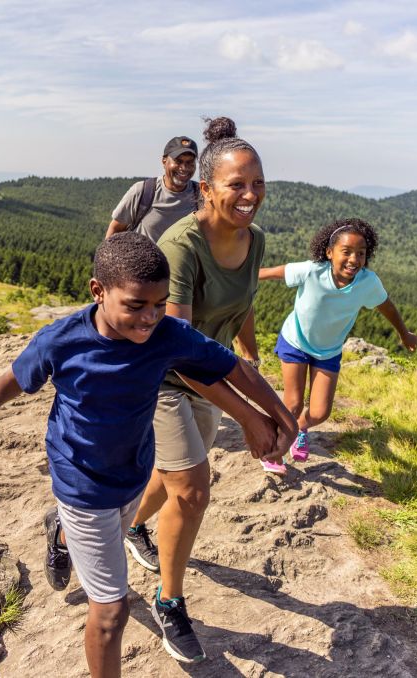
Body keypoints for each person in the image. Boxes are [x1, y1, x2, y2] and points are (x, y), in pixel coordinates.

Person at [0, 232, 287, 678]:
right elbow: (18, 376)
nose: (150, 317)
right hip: (80, 482)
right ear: (98, 292)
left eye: (160, 304)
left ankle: (60, 533)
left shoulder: (165, 335)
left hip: (133, 472)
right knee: (111, 612)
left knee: (119, 531)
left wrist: (277, 415)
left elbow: (232, 367)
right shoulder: (62, 340)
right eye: (137, 305)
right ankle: (69, 527)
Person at [123, 116, 299, 664]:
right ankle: (170, 602)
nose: (250, 195)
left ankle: (107, 527)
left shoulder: (255, 240)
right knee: (194, 488)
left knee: (169, 478)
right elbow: (178, 345)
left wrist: (274, 405)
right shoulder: (182, 246)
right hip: (160, 377)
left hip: (210, 375)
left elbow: (233, 320)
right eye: (236, 185)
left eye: (258, 183)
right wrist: (250, 415)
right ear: (206, 189)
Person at [257, 217, 417, 467]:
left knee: (320, 412)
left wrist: (404, 333)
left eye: (361, 253)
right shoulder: (312, 270)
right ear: (330, 252)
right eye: (347, 252)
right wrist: (235, 279)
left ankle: (299, 429)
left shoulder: (368, 283)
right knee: (294, 402)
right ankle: (274, 450)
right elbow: (270, 273)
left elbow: (387, 308)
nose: (354, 259)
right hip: (295, 342)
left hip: (328, 351)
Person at [105, 136, 199, 242]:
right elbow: (115, 229)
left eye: (190, 162)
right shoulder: (142, 191)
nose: (184, 168)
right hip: (144, 258)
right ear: (164, 161)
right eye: (178, 161)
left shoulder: (201, 195)